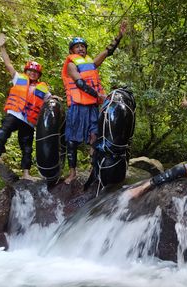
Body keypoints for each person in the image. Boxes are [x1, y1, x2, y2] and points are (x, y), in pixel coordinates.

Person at [61, 21, 128, 184]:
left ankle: (93, 168)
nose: (81, 49)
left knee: (94, 137)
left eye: (83, 46)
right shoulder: (71, 64)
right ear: (72, 50)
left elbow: (107, 51)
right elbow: (80, 84)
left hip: (91, 107)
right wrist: (100, 95)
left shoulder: (91, 63)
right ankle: (72, 173)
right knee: (71, 140)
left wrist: (119, 36)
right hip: (77, 107)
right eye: (77, 47)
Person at [0, 33, 51, 181]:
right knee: (1, 134)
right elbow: (8, 64)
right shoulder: (19, 79)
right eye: (30, 71)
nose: (33, 74)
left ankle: (26, 173)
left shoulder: (43, 88)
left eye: (35, 72)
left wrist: (56, 99)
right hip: (15, 114)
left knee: (27, 147)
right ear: (26, 71)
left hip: (28, 120)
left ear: (39, 75)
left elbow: (50, 100)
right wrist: (2, 48)